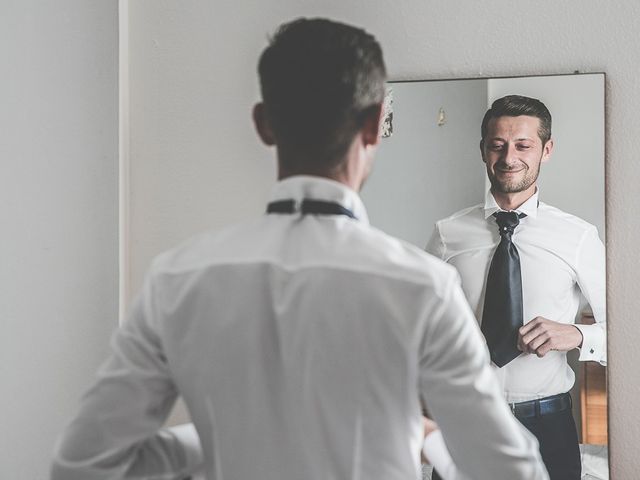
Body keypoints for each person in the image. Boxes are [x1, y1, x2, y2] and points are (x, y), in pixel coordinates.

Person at [51, 19, 547, 480]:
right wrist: (426, 438)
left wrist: (229, 442)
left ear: (264, 123)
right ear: (375, 125)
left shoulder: (177, 279)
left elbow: (83, 466)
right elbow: (512, 472)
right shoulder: (422, 287)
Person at [426, 94, 606, 480]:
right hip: (466, 423)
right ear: (483, 151)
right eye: (498, 145)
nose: (509, 158)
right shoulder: (446, 235)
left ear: (547, 149)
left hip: (548, 423)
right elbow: (417, 329)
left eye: (523, 145)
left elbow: (626, 334)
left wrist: (576, 334)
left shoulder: (577, 237)